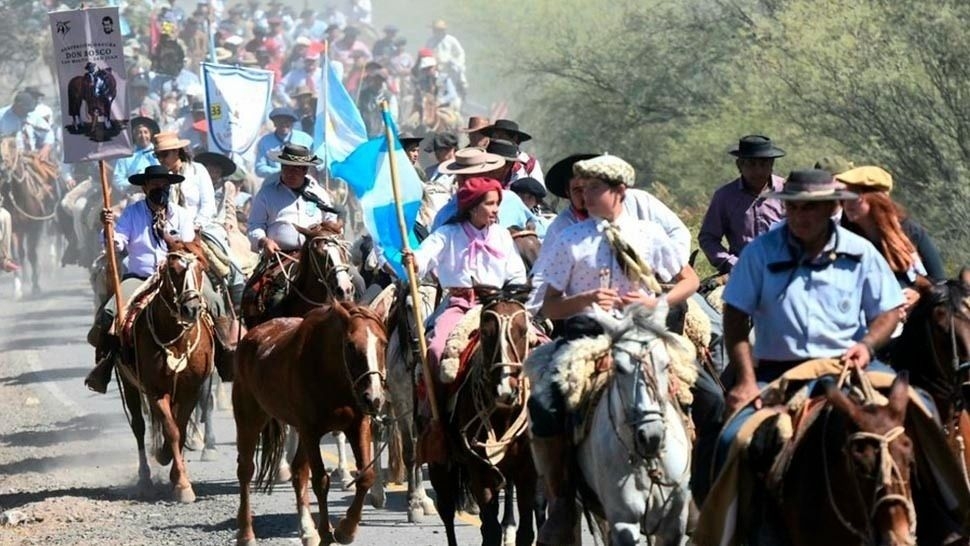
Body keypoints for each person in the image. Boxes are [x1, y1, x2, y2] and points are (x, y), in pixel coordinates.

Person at [699, 169, 905, 505]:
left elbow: (889, 310)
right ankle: (721, 532)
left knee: (918, 411)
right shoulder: (760, 253)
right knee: (730, 441)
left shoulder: (861, 252)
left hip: (850, 369)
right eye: (792, 207)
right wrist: (747, 380)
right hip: (778, 374)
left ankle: (942, 517)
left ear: (832, 208)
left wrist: (867, 346)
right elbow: (735, 314)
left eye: (809, 207)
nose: (799, 215)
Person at [528, 154, 700, 544]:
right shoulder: (570, 239)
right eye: (582, 188)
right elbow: (547, 305)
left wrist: (660, 302)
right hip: (587, 338)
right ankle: (561, 501)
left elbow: (688, 279)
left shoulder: (648, 234)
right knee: (543, 402)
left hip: (645, 333)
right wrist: (584, 298)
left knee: (708, 397)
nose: (584, 195)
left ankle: (693, 489)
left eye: (593, 188)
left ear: (619, 191)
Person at [83, 165, 234, 394]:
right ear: (145, 187)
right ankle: (105, 365)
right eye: (155, 185)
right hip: (141, 278)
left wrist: (177, 252)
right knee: (111, 312)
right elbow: (118, 242)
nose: (160, 189)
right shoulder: (132, 213)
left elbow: (189, 247)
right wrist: (110, 230)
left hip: (178, 277)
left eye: (164, 185)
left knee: (214, 300)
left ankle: (225, 358)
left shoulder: (182, 215)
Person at [402, 176, 528, 449]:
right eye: (490, 204)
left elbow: (517, 274)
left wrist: (514, 296)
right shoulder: (447, 234)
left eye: (497, 204)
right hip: (459, 306)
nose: (496, 210)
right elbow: (423, 258)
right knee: (435, 353)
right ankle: (437, 420)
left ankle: (534, 423)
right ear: (472, 207)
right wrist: (413, 260)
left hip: (497, 307)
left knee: (539, 346)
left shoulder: (502, 235)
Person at [836, 166, 945, 326]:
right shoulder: (841, 237)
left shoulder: (910, 232)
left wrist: (919, 295)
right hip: (859, 326)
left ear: (876, 198)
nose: (847, 203)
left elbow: (941, 283)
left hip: (910, 328)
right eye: (845, 196)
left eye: (855, 196)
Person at [698, 135, 786, 274]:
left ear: (772, 165)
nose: (758, 171)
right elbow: (708, 238)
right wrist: (731, 263)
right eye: (751, 164)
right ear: (739, 165)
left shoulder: (788, 191)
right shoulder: (725, 197)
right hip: (743, 272)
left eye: (763, 164)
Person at [247, 144, 338, 254]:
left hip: (315, 255)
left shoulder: (319, 193)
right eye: (286, 167)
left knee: (341, 270)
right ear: (281, 167)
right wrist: (264, 241)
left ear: (305, 170)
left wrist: (331, 228)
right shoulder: (266, 194)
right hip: (278, 255)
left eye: (296, 169)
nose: (290, 173)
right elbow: (255, 225)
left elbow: (330, 219)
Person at [254, 107, 314, 180]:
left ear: (292, 123)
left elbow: (315, 163)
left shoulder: (305, 139)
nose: (284, 124)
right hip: (275, 183)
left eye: (287, 121)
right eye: (280, 121)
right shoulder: (265, 142)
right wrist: (281, 172)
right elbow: (259, 169)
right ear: (274, 123)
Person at [479, 119, 544, 186]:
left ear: (514, 138)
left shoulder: (529, 164)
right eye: (493, 136)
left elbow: (538, 191)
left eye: (500, 136)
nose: (496, 140)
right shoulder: (483, 158)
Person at [113, 116, 160, 196]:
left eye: (145, 132)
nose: (143, 136)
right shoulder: (126, 157)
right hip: (136, 195)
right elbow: (117, 180)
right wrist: (134, 184)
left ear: (151, 133)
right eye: (139, 133)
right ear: (134, 135)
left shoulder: (160, 152)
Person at [425, 19, 467, 97]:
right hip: (435, 67)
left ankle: (462, 88)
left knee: (458, 72)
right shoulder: (430, 41)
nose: (435, 32)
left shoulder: (451, 40)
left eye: (438, 30)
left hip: (449, 66)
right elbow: (426, 53)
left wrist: (458, 62)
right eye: (435, 30)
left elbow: (460, 52)